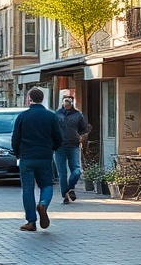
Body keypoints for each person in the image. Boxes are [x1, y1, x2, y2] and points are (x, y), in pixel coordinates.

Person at [12, 88, 63, 232]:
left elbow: (15, 138)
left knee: (28, 188)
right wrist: (52, 149)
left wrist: (17, 153)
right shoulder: (51, 116)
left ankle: (31, 221)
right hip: (45, 156)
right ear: (42, 98)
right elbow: (59, 138)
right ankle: (43, 204)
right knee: (47, 185)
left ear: (29, 99)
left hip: (27, 157)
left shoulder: (23, 116)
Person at [54, 95, 90, 204]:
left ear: (72, 102)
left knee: (77, 171)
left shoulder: (78, 115)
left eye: (68, 101)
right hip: (60, 146)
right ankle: (65, 194)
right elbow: (52, 128)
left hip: (74, 145)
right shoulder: (57, 114)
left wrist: (81, 136)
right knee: (62, 173)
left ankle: (69, 188)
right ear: (62, 102)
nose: (67, 103)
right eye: (65, 101)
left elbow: (84, 128)